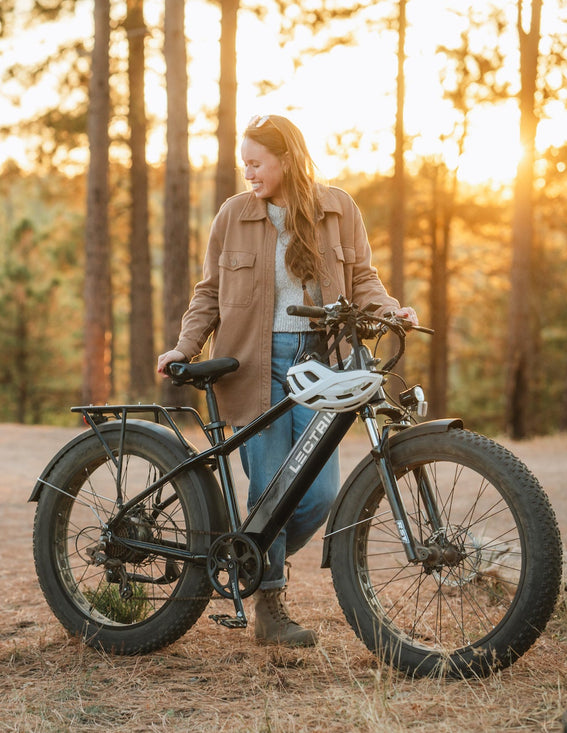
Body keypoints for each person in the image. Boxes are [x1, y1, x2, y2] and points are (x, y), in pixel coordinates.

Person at [156, 114, 417, 648]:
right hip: (251, 364)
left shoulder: (338, 207)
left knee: (318, 495)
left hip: (321, 362)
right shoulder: (234, 214)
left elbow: (362, 276)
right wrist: (184, 347)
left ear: (287, 159)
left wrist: (390, 310)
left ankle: (244, 558)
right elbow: (208, 291)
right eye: (243, 163)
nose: (247, 172)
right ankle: (269, 605)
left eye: (256, 163)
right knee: (270, 488)